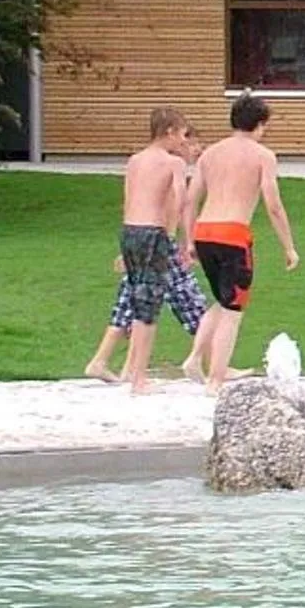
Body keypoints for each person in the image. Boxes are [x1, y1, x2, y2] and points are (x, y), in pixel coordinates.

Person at [181, 93, 299, 391]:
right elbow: (273, 204)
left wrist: (189, 239)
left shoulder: (210, 155)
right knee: (233, 311)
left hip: (205, 231)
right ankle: (216, 378)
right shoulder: (262, 156)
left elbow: (190, 200)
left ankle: (195, 358)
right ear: (260, 125)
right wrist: (288, 245)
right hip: (233, 234)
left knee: (222, 301)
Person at [86, 126, 205, 382]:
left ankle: (113, 362)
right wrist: (184, 243)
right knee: (185, 300)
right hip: (160, 240)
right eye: (191, 142)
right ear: (176, 139)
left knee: (132, 297)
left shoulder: (148, 167)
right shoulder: (171, 167)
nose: (196, 149)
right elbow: (175, 209)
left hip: (143, 237)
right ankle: (208, 358)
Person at [111, 107, 201, 394]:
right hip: (153, 233)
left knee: (137, 302)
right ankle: (139, 380)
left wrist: (122, 249)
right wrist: (184, 240)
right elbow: (182, 200)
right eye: (183, 134)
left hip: (130, 231)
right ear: (170, 132)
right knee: (148, 308)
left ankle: (132, 371)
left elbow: (128, 199)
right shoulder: (172, 163)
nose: (184, 141)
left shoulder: (135, 160)